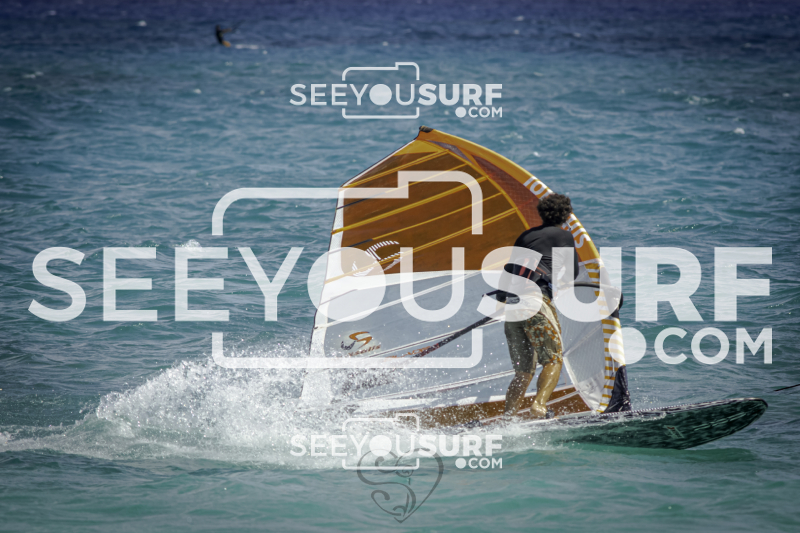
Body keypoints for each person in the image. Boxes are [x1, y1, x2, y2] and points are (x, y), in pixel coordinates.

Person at [500, 193, 579, 419]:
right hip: (536, 303)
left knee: (523, 371)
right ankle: (539, 406)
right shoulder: (563, 236)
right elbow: (572, 274)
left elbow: (508, 271)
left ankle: (508, 418)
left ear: (541, 213)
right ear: (566, 215)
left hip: (513, 306)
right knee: (553, 359)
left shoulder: (526, 236)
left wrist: (502, 297)